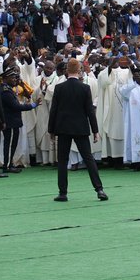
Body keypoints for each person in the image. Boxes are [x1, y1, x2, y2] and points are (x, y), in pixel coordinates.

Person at [48, 58, 108, 202]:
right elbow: (89, 112)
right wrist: (95, 131)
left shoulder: (59, 88)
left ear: (67, 71)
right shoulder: (85, 88)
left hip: (63, 128)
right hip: (81, 128)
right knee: (88, 159)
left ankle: (63, 193)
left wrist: (51, 130)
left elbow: (53, 111)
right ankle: (99, 189)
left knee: (62, 161)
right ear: (79, 71)